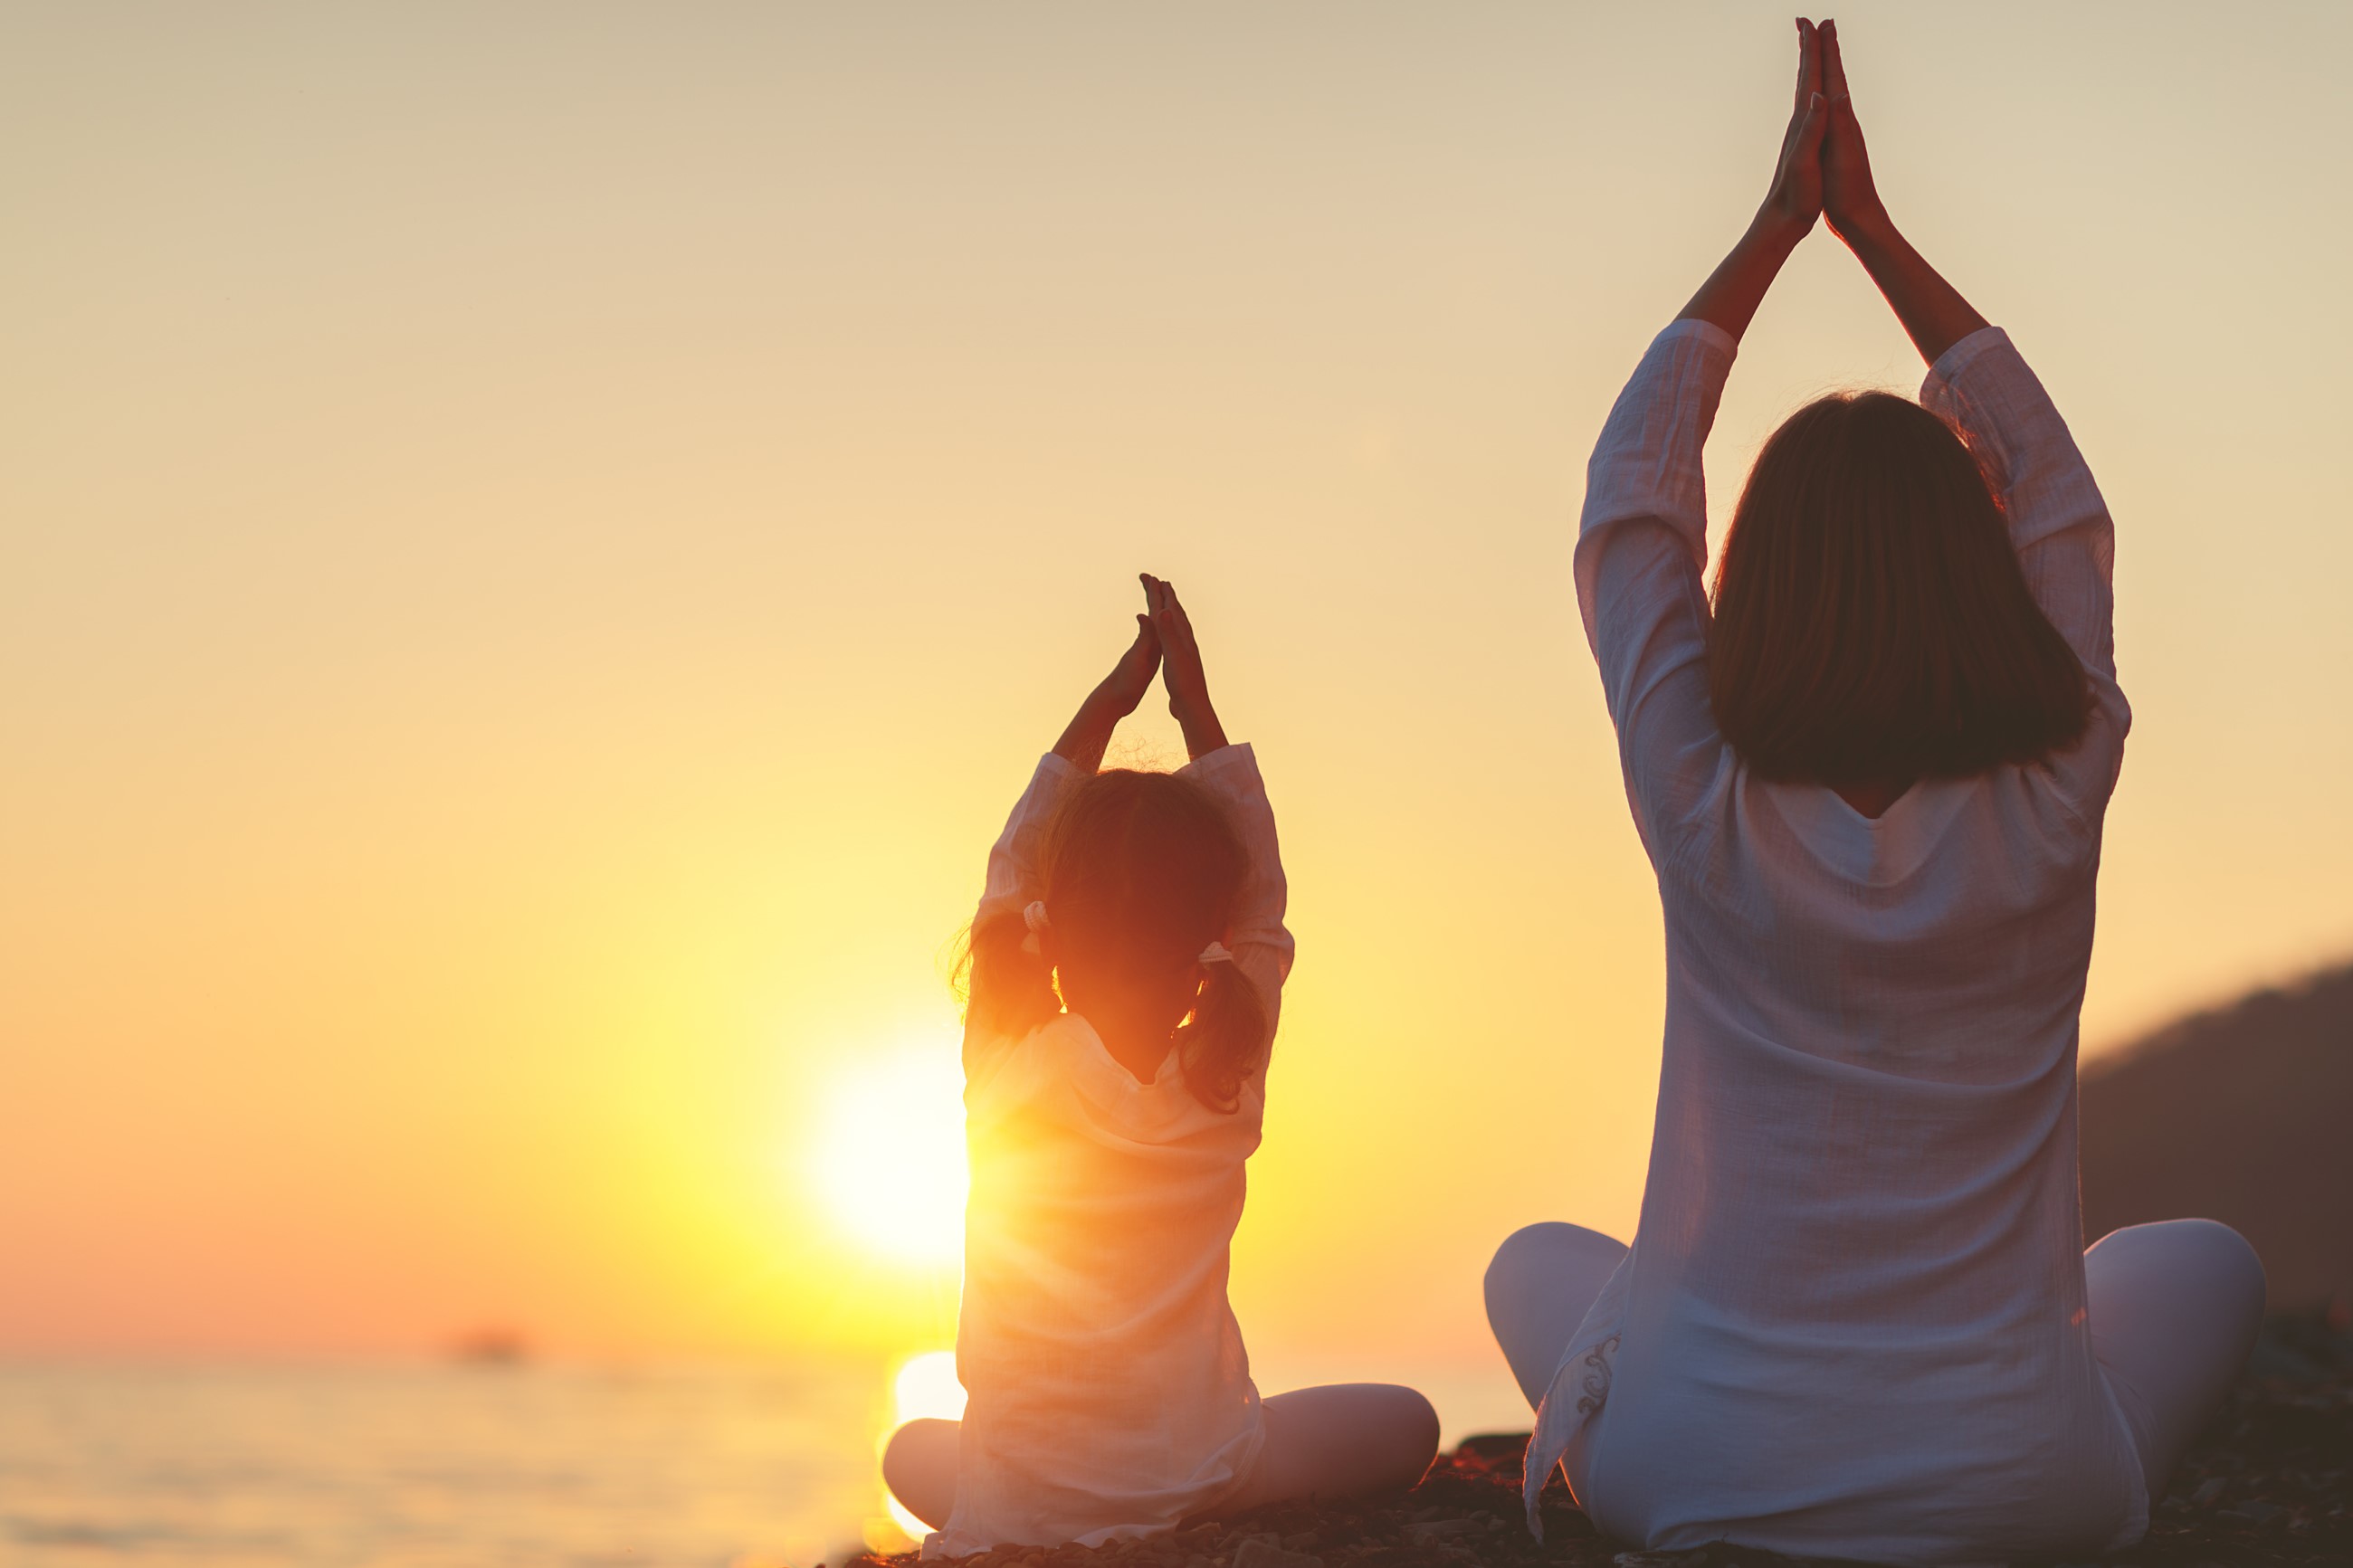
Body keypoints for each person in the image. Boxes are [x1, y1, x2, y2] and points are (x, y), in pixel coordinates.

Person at [1481, 20, 2263, 1564]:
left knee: (1536, 1261)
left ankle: (1678, 1377)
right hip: (2020, 1489)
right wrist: (1880, 240)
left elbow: (1629, 505)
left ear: (1751, 588)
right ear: (1977, 579)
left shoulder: (1698, 791)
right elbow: (2065, 505)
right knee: (2206, 1263)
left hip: (1692, 1473)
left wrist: (1775, 230)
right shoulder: (2058, 784)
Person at [885, 575, 1437, 1556]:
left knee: (909, 1453)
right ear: (1208, 938)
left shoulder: (1007, 1065)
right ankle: (1152, 1492)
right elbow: (1264, 903)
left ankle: (1038, 1498)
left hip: (1015, 1501)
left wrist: (1104, 704)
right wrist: (1193, 705)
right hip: (1193, 1478)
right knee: (1407, 1422)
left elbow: (1006, 876)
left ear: (1052, 937)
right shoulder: (1220, 1080)